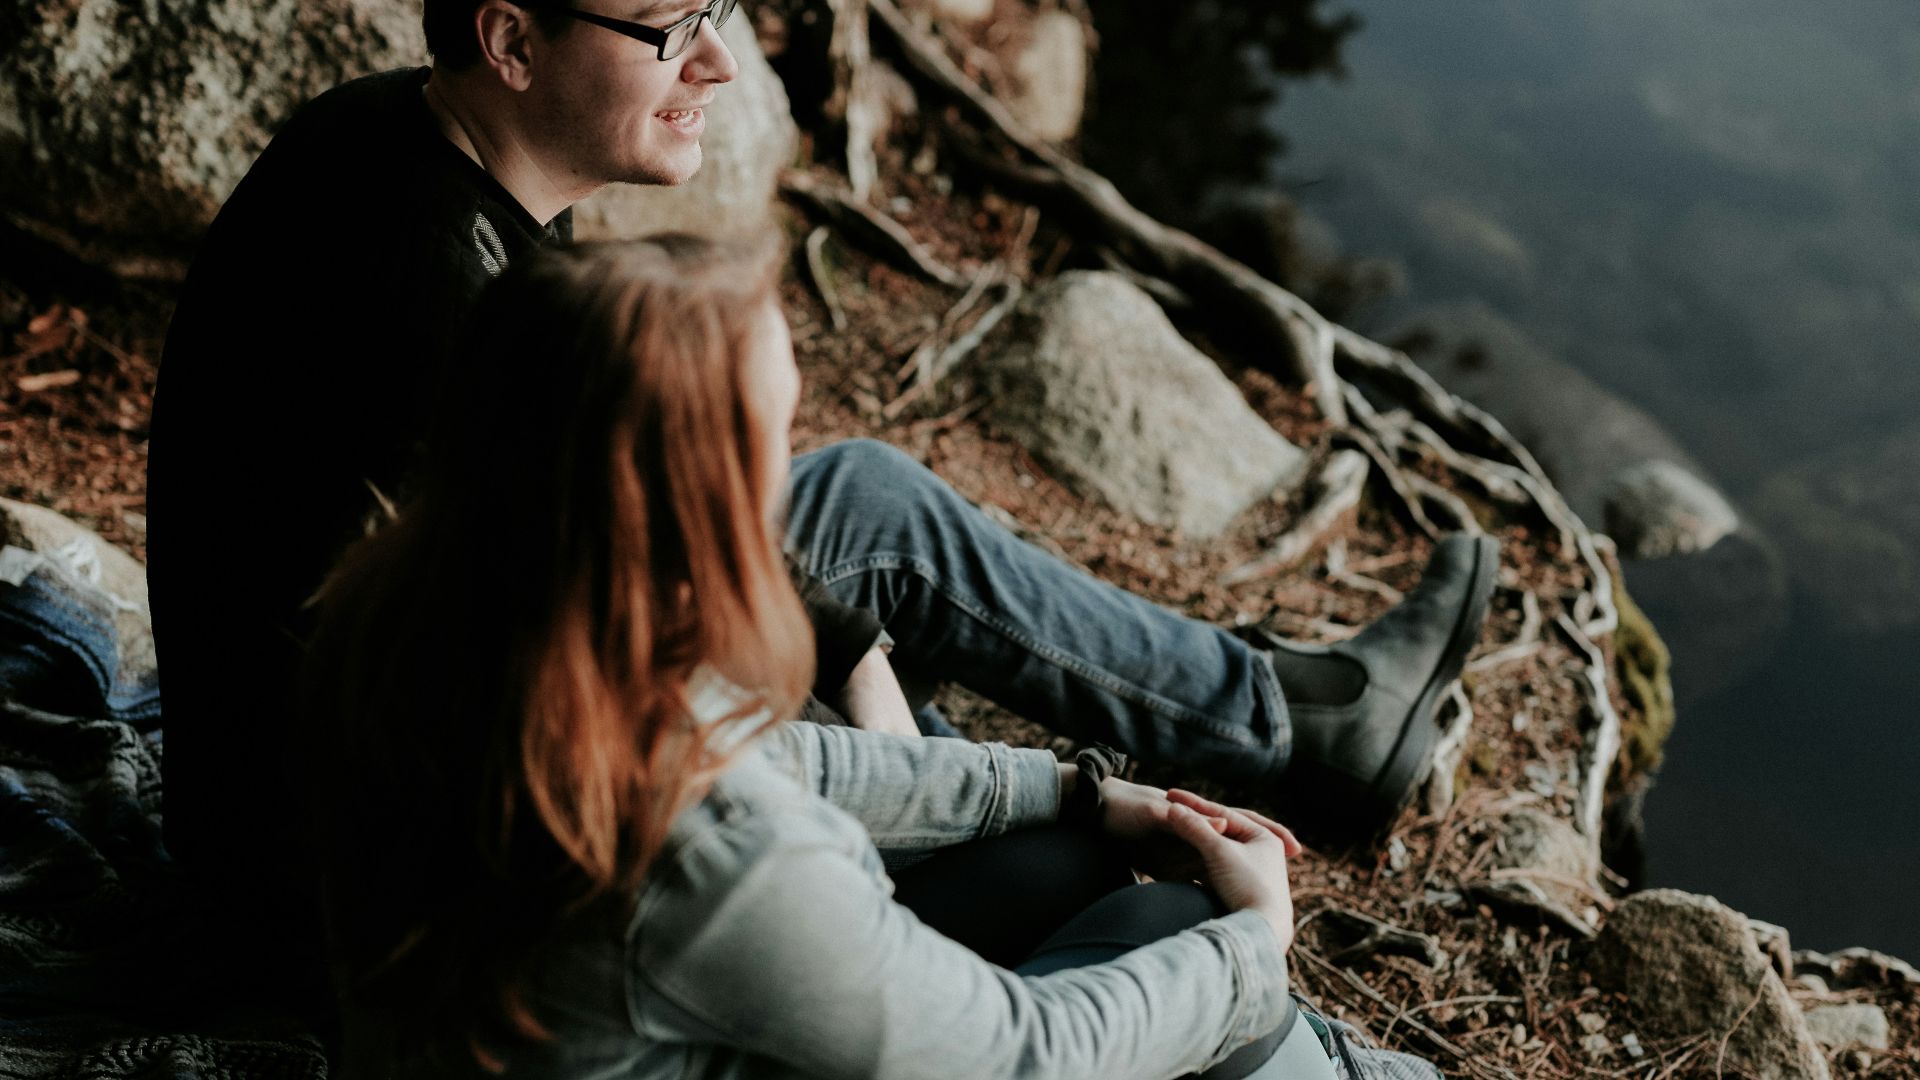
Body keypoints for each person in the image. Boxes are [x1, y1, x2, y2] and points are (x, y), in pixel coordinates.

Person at [147, 0, 1497, 958]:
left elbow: (648, 525)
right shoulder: (419, 289)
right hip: (343, 881)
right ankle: (1257, 746)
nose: (719, 65)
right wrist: (903, 755)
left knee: (852, 506)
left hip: (415, 739)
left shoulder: (412, 151)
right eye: (669, 31)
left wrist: (867, 687)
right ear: (510, 40)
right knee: (864, 584)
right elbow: (647, 610)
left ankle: (1294, 718)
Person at [301, 234, 1341, 1079]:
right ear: (688, 510)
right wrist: (1251, 943)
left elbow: (781, 759)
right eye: (774, 440)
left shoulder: (453, 619)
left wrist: (1070, 790)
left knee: (1057, 856)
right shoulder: (700, 851)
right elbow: (1026, 1053)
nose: (790, 478)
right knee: (1171, 931)